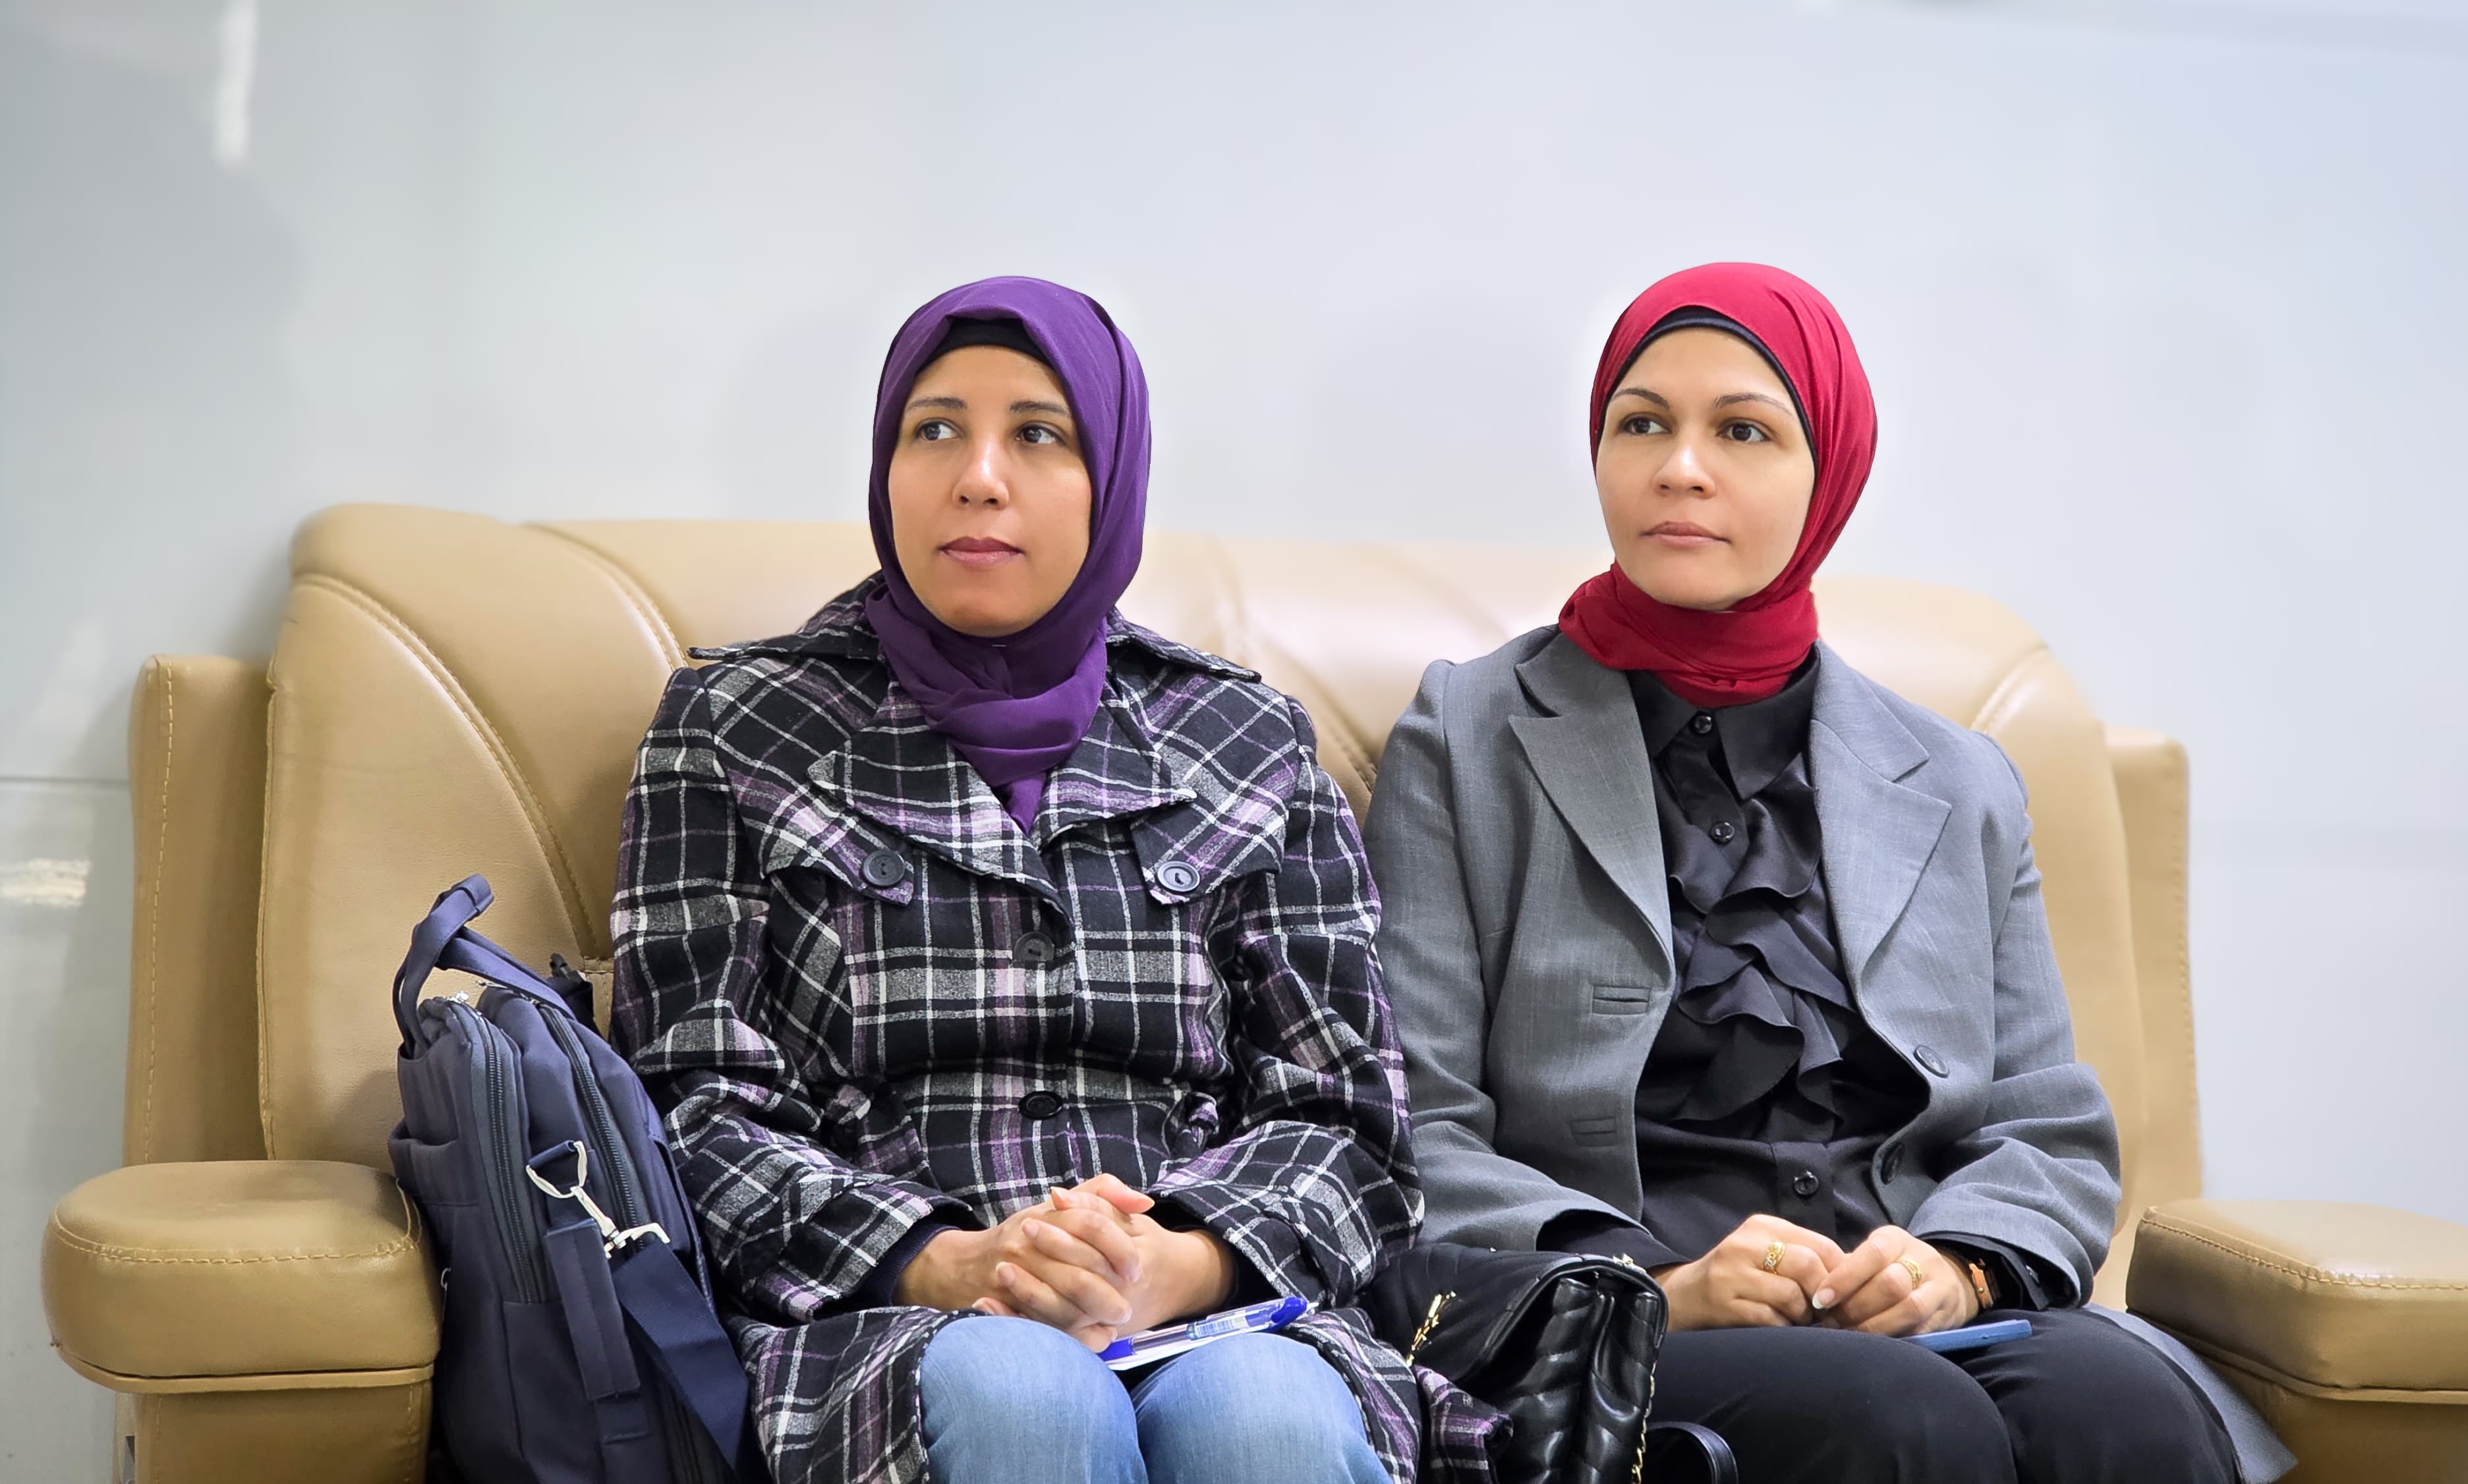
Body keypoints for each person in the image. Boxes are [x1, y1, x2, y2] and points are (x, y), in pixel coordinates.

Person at [1363, 263, 2253, 1482]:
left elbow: (2045, 1123)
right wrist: (1658, 1282)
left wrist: (1958, 1267)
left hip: (1906, 1300)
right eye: (1642, 424)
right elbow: (1419, 1125)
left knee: (2127, 1415)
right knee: (1903, 1422)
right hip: (1630, 1307)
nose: (1682, 467)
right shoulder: (1467, 738)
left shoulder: (1959, 781)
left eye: (1743, 431)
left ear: (1828, 470)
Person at [609, 277, 1498, 1484]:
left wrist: (1172, 1264)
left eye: (1038, 434)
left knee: (1265, 1423)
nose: (979, 476)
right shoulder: (735, 723)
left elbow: (1348, 1118)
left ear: (1112, 477)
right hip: (888, 1321)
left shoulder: (1247, 737)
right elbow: (691, 1104)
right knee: (1027, 1399)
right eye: (935, 429)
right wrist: (955, 1262)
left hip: (1214, 1308)